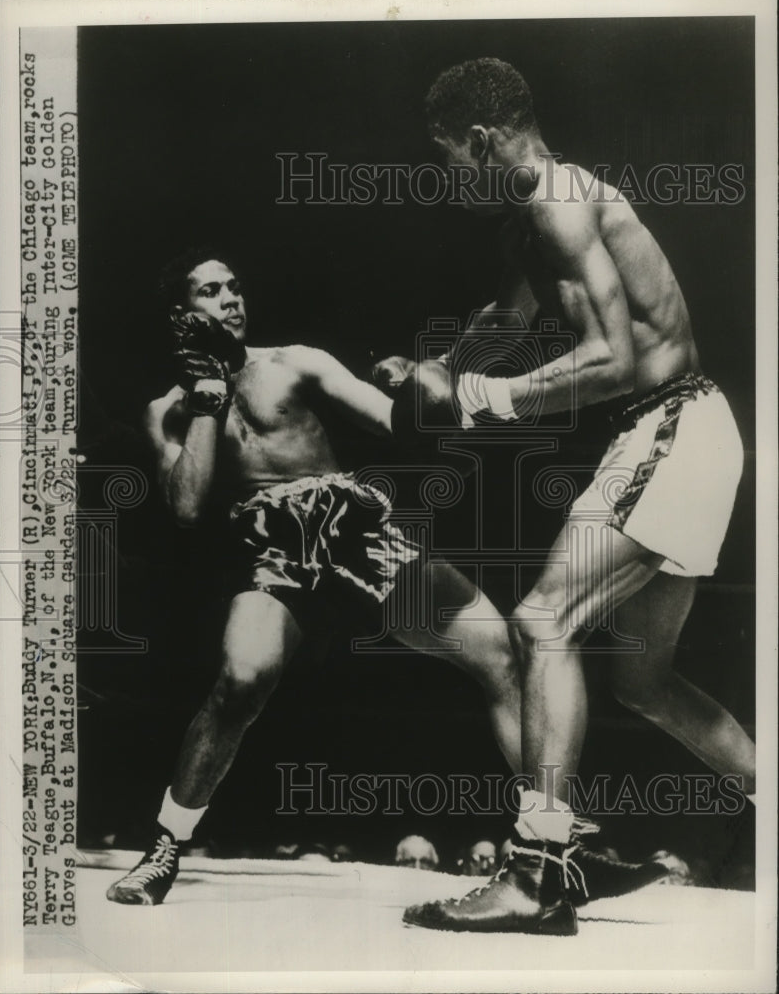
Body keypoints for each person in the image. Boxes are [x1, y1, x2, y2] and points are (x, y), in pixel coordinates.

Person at [383, 59, 755, 934]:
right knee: (644, 681)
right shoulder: (527, 222)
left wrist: (480, 399)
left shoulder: (558, 202)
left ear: (480, 141)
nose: (445, 181)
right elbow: (505, 327)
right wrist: (435, 370)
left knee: (543, 619)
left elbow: (612, 361)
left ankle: (538, 868)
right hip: (676, 436)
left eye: (445, 161)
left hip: (670, 426)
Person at [105, 247, 524, 905]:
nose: (231, 300)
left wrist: (418, 381)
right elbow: (186, 506)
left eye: (235, 287)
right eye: (211, 291)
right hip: (272, 552)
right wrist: (209, 398)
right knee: (241, 681)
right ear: (180, 314)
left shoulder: (294, 361)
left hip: (354, 532)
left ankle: (546, 838)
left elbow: (394, 423)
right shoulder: (169, 411)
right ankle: (163, 850)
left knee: (499, 650)